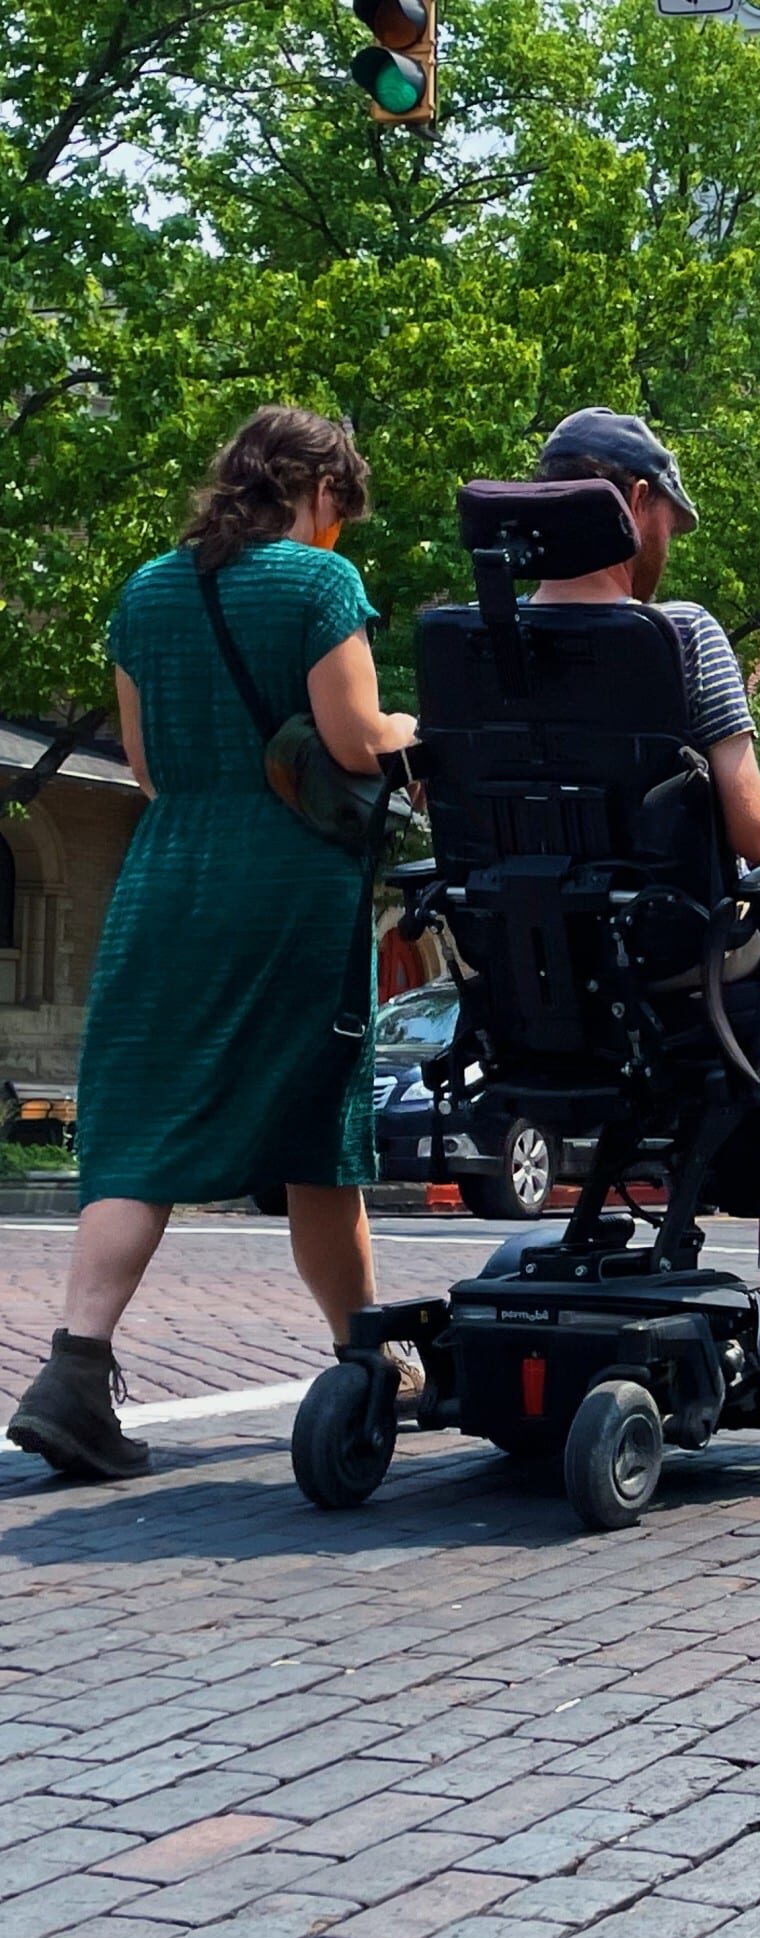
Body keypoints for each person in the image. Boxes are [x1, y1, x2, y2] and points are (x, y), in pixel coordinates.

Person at [6, 407, 416, 1480]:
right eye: (343, 514)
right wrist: (412, 733)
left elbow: (143, 768)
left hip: (164, 875)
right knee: (317, 1129)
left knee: (138, 1125)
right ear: (320, 490)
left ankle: (74, 1373)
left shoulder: (145, 591)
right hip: (286, 882)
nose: (341, 538)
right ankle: (362, 1357)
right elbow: (354, 742)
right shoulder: (319, 587)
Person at [528, 409, 760, 1178]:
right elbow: (755, 831)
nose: (667, 545)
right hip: (666, 957)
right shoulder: (679, 636)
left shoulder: (467, 642)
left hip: (526, 965)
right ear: (634, 501)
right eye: (668, 519)